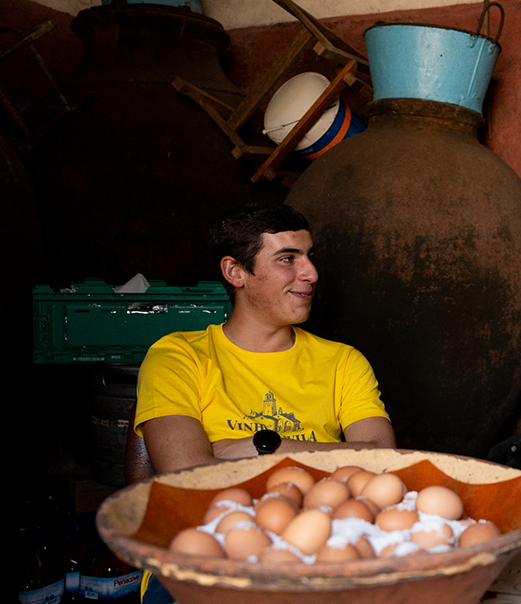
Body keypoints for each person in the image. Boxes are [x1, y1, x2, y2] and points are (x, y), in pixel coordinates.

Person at [135, 203, 395, 475]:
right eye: (287, 259)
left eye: (309, 256)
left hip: (323, 512)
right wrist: (336, 456)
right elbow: (187, 474)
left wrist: (265, 446)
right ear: (235, 272)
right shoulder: (178, 356)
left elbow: (383, 457)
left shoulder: (343, 361)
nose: (312, 274)